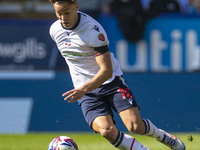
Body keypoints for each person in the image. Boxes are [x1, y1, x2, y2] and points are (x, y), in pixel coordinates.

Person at [48, 0, 186, 149]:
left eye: (66, 12)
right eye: (58, 13)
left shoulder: (93, 30)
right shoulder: (55, 30)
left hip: (110, 83)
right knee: (106, 130)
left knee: (135, 126)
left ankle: (164, 137)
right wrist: (83, 89)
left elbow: (106, 71)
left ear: (76, 6)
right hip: (86, 91)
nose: (63, 18)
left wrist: (83, 89)